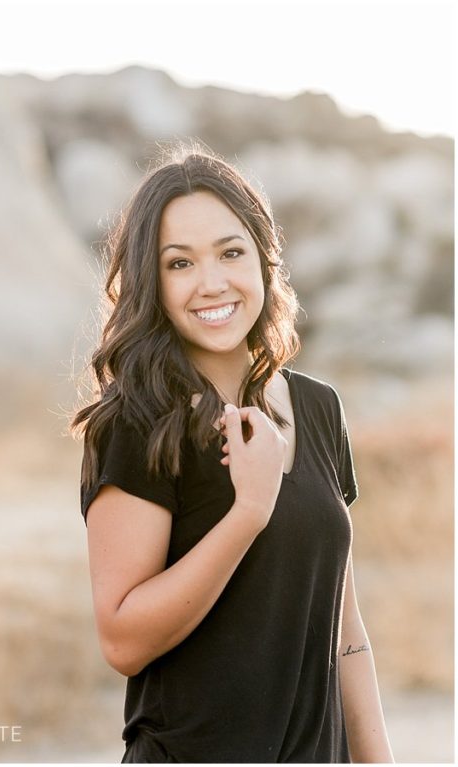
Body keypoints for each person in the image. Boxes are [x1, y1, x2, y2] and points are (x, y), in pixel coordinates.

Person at [72, 148, 393, 763]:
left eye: (230, 252)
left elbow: (346, 635)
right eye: (180, 263)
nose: (212, 282)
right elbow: (121, 639)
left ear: (264, 258)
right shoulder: (138, 424)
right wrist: (247, 512)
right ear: (151, 281)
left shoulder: (320, 407)